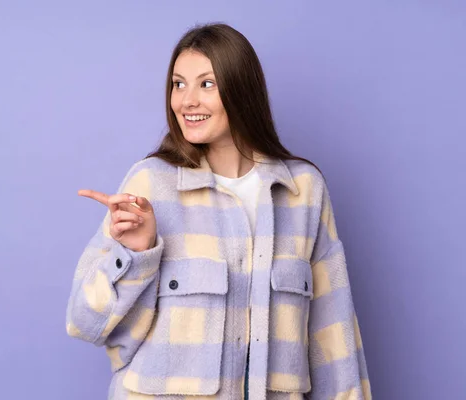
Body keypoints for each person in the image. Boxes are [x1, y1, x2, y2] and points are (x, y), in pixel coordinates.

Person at [66, 23, 371, 400]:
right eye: (178, 84)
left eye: (206, 84)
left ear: (242, 90)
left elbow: (335, 336)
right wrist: (134, 255)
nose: (186, 100)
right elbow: (86, 324)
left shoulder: (303, 191)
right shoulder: (150, 184)